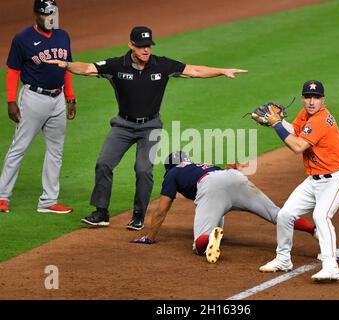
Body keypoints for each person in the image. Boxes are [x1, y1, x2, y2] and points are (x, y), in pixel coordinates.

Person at [46, 26, 248, 230]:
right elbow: (88, 68)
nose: (146, 50)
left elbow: (194, 70)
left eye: (148, 46)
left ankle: (139, 215)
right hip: (122, 126)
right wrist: (66, 64)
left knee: (143, 170)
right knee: (103, 164)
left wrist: (221, 71)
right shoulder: (117, 65)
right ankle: (101, 212)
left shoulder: (162, 65)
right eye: (141, 46)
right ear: (131, 45)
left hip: (150, 127)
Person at [130, 151, 317, 264]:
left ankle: (210, 237)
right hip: (233, 177)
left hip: (211, 187)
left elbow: (162, 209)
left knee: (198, 246)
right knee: (277, 213)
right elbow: (223, 179)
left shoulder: (173, 173)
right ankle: (314, 231)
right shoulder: (202, 165)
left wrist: (150, 237)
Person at [254, 80, 339, 281]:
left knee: (321, 216)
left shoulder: (320, 120)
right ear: (302, 98)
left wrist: (276, 124)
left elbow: (298, 146)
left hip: (336, 181)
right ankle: (283, 260)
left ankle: (331, 267)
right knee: (285, 215)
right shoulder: (306, 114)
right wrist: (279, 122)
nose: (311, 101)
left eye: (316, 97)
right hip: (314, 181)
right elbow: (295, 131)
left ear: (323, 100)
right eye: (308, 96)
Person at [0, 0, 76, 214]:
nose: (50, 18)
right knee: (19, 147)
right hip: (33, 98)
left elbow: (66, 68)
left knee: (56, 151)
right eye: (46, 14)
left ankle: (48, 201)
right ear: (36, 15)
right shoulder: (22, 39)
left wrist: (70, 98)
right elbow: (13, 71)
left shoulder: (63, 36)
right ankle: (2, 196)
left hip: (58, 99)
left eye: (53, 13)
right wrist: (10, 101)